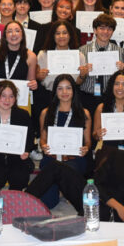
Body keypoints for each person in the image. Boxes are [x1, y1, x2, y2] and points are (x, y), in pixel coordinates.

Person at [25, 125, 124, 222]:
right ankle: (23, 201)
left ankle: (88, 218)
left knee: (99, 215)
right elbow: (97, 184)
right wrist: (118, 207)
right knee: (56, 167)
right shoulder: (117, 156)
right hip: (97, 199)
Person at [37, 75, 91, 208]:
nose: (64, 92)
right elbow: (43, 138)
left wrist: (86, 148)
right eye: (60, 89)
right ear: (55, 91)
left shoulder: (84, 113)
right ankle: (58, 191)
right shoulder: (46, 113)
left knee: (67, 171)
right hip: (52, 157)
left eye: (68, 88)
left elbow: (88, 141)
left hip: (74, 159)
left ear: (74, 91)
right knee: (47, 202)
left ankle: (63, 190)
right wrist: (43, 145)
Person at [0, 80, 35, 190]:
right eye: (3, 96)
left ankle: (15, 200)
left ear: (15, 98)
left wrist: (26, 151)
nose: (7, 100)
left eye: (11, 96)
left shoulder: (23, 115)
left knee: (20, 177)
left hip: (17, 157)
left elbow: (30, 139)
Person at [78, 14, 124, 108]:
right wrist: (83, 73)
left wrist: (122, 71)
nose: (106, 32)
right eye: (102, 28)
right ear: (95, 30)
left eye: (109, 29)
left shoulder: (119, 51)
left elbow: (122, 78)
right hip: (87, 96)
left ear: (113, 32)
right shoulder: (82, 50)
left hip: (110, 97)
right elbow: (77, 81)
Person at [0, 21, 38, 97]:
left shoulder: (31, 56)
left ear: (22, 35)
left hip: (20, 98)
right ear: (5, 36)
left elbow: (31, 81)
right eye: (9, 31)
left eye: (17, 31)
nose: (13, 34)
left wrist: (33, 84)